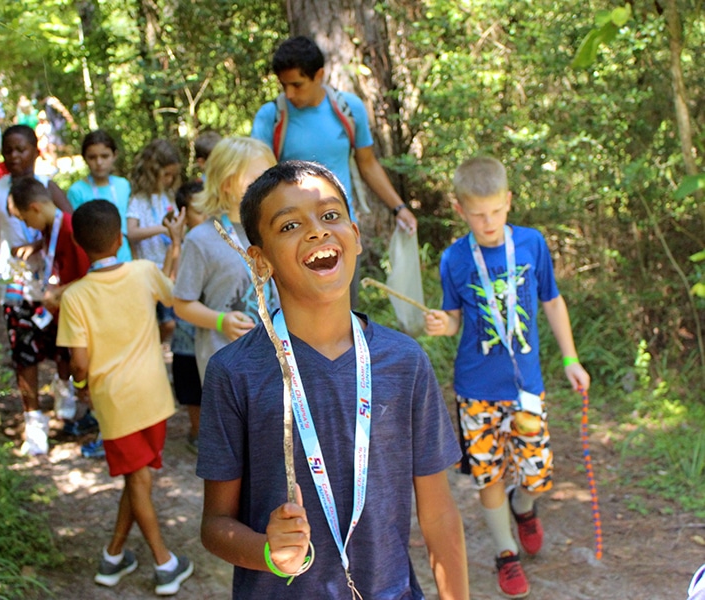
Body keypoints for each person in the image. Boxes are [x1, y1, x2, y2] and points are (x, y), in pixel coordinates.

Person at [198, 160, 469, 599]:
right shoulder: (234, 372)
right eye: (289, 225)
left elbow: (439, 516)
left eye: (330, 215)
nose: (317, 231)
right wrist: (269, 552)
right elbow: (215, 525)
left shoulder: (405, 362)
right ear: (260, 260)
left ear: (356, 236)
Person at [424, 156, 591, 598]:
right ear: (460, 210)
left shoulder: (533, 245)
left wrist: (571, 358)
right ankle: (505, 553)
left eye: (496, 211)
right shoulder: (454, 259)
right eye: (478, 214)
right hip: (476, 389)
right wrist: (444, 324)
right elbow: (455, 318)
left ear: (509, 202)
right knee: (488, 475)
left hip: (526, 388)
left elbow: (553, 302)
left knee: (535, 476)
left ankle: (524, 507)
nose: (489, 222)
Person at [55, 199, 193, 595]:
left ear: (80, 246)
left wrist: (81, 388)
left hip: (116, 403)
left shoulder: (76, 297)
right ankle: (113, 556)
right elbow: (171, 291)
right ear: (120, 238)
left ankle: (163, 564)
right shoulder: (143, 272)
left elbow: (78, 363)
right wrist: (175, 243)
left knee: (138, 479)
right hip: (154, 397)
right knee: (139, 478)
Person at [250, 36, 418, 301]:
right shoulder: (271, 117)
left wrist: (399, 208)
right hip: (293, 238)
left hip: (339, 229)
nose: (289, 94)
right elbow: (257, 180)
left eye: (297, 84)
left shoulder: (349, 109)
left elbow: (368, 163)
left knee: (343, 310)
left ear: (319, 75)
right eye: (284, 86)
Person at [0, 124, 74, 456]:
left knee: (62, 344)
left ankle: (64, 392)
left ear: (36, 150)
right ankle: (33, 421)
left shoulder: (48, 186)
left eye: (21, 149)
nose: (14, 156)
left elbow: (70, 225)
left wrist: (39, 243)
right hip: (15, 283)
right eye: (8, 151)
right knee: (23, 353)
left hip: (53, 281)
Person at [173, 137, 276, 385]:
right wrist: (221, 321)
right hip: (226, 369)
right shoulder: (201, 240)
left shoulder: (275, 231)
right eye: (259, 180)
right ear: (228, 183)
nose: (270, 188)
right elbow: (181, 303)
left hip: (275, 360)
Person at [9, 176, 98, 436]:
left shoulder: (71, 229)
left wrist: (57, 292)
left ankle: (100, 423)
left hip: (81, 314)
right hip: (65, 311)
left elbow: (90, 278)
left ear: (36, 207)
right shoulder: (49, 230)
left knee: (87, 370)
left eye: (25, 219)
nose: (28, 226)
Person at [127, 139, 183, 347]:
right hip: (148, 269)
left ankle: (157, 351)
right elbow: (131, 232)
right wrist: (162, 229)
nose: (169, 180)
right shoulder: (138, 200)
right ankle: (151, 351)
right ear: (153, 171)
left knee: (170, 321)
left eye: (172, 175)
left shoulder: (169, 198)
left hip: (169, 269)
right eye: (165, 174)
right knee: (159, 321)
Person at [169, 179, 206, 453]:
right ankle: (197, 431)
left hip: (213, 329)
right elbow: (174, 283)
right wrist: (177, 240)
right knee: (191, 384)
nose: (205, 215)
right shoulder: (185, 243)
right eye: (197, 210)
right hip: (186, 333)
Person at [67, 130, 132, 263]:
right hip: (94, 260)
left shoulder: (123, 185)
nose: (99, 162)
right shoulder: (77, 191)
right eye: (92, 157)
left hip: (125, 257)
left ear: (114, 155)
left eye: (104, 156)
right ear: (85, 158)